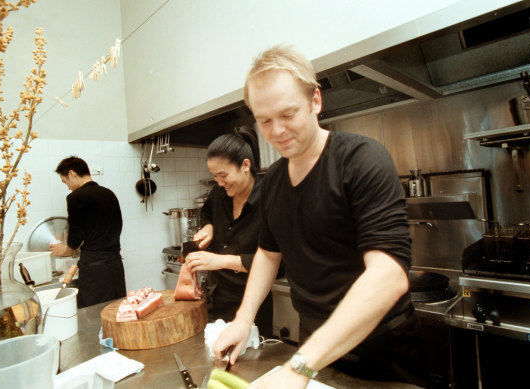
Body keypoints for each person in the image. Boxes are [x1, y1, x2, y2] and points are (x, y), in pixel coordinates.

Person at [211, 45, 430, 388]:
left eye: (288, 114)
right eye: (265, 121)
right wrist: (243, 319)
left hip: (380, 349)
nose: (277, 131)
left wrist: (299, 367)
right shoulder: (273, 183)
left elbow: (388, 275)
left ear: (315, 101)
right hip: (315, 344)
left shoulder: (361, 160)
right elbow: (269, 254)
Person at [184, 127, 275, 337]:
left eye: (223, 175)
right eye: (214, 176)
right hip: (216, 298)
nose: (219, 182)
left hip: (252, 304)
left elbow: (277, 265)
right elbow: (206, 214)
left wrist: (220, 261)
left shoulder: (269, 199)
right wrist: (209, 227)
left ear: (245, 165)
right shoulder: (219, 194)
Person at [50, 156, 126, 308]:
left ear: (72, 173)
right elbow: (115, 225)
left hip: (94, 268)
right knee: (117, 309)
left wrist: (67, 248)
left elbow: (75, 237)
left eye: (65, 182)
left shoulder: (75, 197)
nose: (68, 187)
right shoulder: (109, 194)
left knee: (94, 313)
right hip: (115, 263)